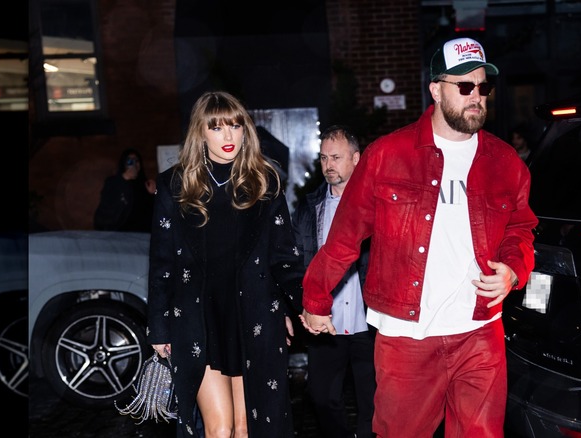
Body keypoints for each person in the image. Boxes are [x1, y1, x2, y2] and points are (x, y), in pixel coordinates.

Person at [299, 37, 538, 437]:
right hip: (406, 336)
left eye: (483, 87)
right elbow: (344, 236)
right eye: (464, 86)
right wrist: (316, 297)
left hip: (480, 332)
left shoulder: (505, 162)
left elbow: (521, 225)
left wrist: (514, 269)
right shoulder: (388, 155)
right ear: (435, 90)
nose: (475, 96)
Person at [146, 90, 305, 438]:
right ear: (200, 133)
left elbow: (284, 257)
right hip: (198, 318)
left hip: (252, 316)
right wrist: (158, 326)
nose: (228, 136)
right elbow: (161, 263)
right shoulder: (175, 185)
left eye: (235, 126)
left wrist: (301, 306)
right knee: (219, 429)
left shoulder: (265, 182)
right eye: (217, 128)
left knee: (248, 426)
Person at [291, 125, 375, 438]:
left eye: (336, 157)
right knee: (322, 396)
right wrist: (301, 305)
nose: (328, 164)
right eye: (324, 157)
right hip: (327, 323)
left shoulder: (377, 204)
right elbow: (298, 262)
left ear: (356, 158)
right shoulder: (309, 207)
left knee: (374, 402)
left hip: (370, 322)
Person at [94, 147, 156, 232]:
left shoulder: (145, 184)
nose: (134, 164)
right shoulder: (113, 182)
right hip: (119, 233)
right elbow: (108, 202)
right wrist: (124, 179)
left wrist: (154, 192)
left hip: (142, 233)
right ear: (123, 163)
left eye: (136, 161)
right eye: (130, 161)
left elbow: (153, 210)